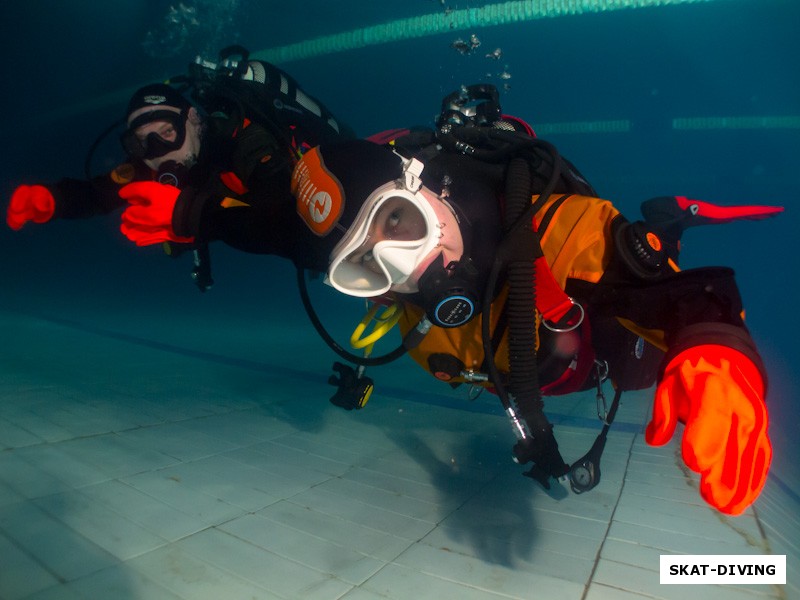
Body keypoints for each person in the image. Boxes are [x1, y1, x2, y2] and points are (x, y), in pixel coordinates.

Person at [287, 86, 783, 516]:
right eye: (367, 262)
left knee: (643, 371)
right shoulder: (403, 310)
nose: (402, 265)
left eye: (397, 220)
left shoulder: (558, 233)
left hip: (604, 341)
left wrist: (714, 346)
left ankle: (668, 224)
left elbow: (680, 299)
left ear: (426, 186)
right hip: (560, 367)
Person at [6, 47, 354, 287]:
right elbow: (100, 194)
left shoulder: (244, 141)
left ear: (192, 121)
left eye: (167, 132)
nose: (156, 151)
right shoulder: (148, 164)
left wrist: (193, 215)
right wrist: (52, 199)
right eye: (142, 142)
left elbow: (294, 230)